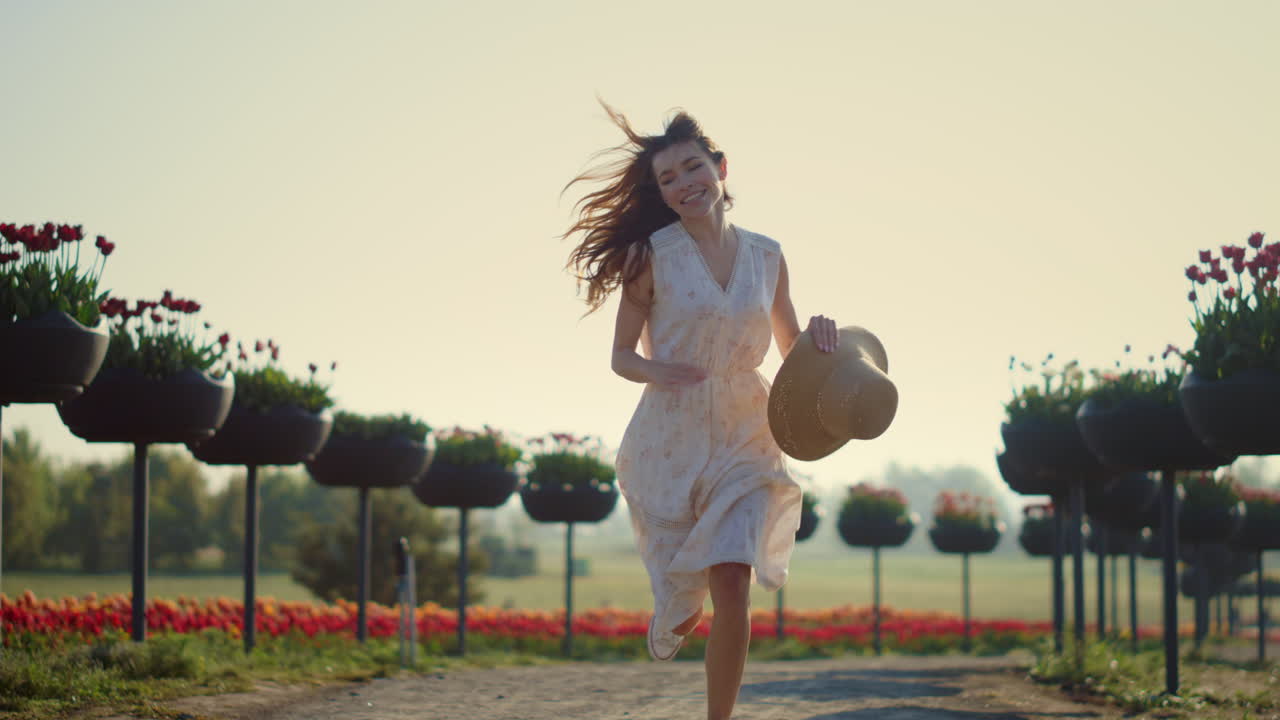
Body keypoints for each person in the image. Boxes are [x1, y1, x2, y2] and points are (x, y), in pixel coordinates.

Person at [562, 102, 838, 720]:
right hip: (671, 433)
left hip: (748, 429)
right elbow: (619, 356)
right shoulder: (649, 257)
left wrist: (822, 335)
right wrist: (658, 370)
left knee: (733, 582)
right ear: (661, 192)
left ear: (719, 168)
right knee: (687, 597)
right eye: (669, 179)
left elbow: (790, 346)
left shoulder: (768, 256)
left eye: (694, 169)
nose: (685, 184)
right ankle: (674, 607)